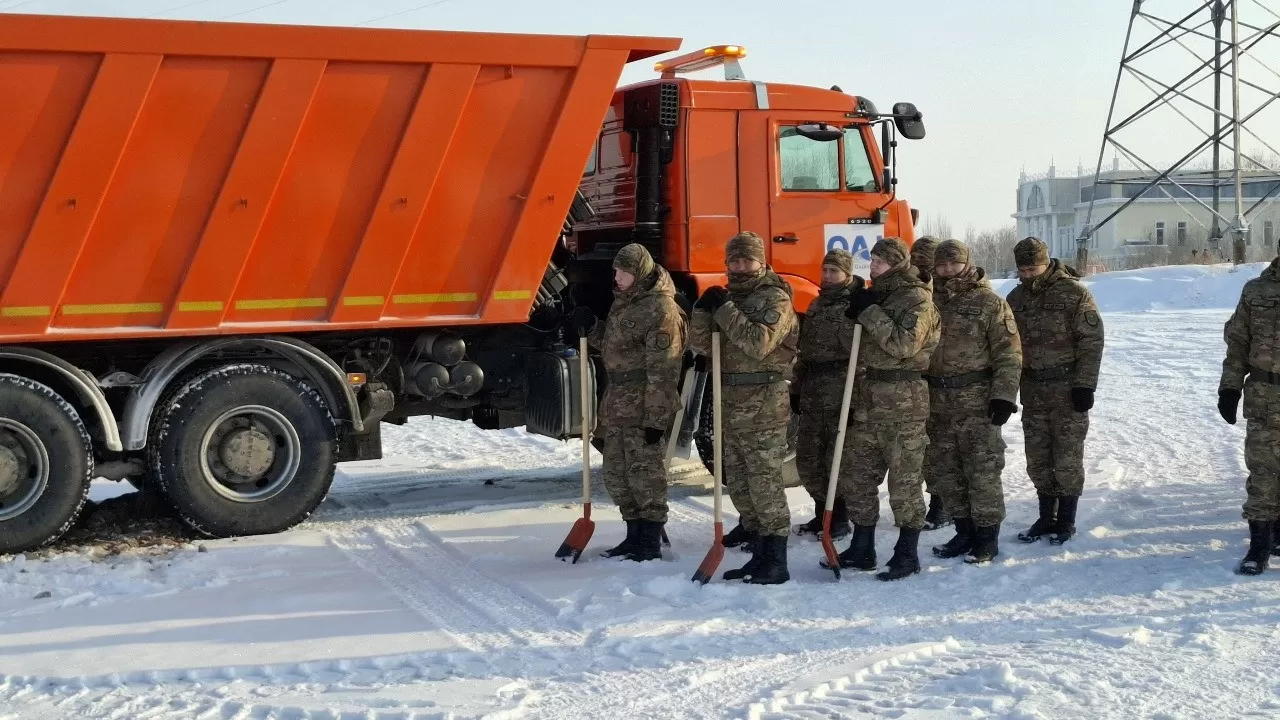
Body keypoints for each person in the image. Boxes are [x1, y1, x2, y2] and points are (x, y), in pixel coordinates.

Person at [824, 237, 940, 581]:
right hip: (868, 400)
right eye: (871, 260)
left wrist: (870, 312)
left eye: (879, 261)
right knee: (857, 477)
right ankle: (863, 547)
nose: (872, 266)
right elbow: (855, 347)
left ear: (897, 263)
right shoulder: (877, 296)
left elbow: (904, 345)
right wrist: (854, 316)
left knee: (904, 482)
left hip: (903, 402)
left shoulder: (916, 298)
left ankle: (906, 553)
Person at [689, 231, 799, 585]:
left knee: (764, 479)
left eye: (746, 261)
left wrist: (724, 310)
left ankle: (776, 560)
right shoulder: (730, 297)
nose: (740, 267)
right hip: (730, 399)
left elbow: (758, 343)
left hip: (764, 401)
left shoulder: (775, 297)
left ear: (762, 261)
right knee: (737, 477)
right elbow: (702, 346)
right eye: (733, 261)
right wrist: (703, 312)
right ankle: (758, 548)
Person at [571, 243, 686, 562]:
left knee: (644, 474)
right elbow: (615, 345)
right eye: (616, 271)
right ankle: (633, 535)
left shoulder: (660, 308)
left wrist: (655, 418)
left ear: (640, 273)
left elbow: (664, 369)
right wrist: (591, 327)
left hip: (643, 402)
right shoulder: (624, 302)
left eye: (625, 272)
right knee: (617, 474)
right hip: (618, 401)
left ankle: (648, 541)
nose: (618, 277)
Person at [925, 240, 1022, 564]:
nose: (948, 270)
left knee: (982, 472)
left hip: (977, 402)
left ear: (967, 264)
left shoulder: (989, 302)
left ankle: (986, 538)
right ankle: (963, 530)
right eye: (942, 265)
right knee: (947, 473)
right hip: (938, 403)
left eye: (954, 264)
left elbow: (1009, 354)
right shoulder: (929, 301)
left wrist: (1004, 396)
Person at [1006, 237, 1104, 546]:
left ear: (1047, 263)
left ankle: (1066, 520)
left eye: (1032, 269)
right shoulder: (1015, 298)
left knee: (1066, 457)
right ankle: (1046, 515)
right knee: (1037, 457)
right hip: (1032, 390)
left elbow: (1092, 342)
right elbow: (1007, 347)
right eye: (1022, 270)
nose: (1027, 275)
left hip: (1067, 389)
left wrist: (1085, 385)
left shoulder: (1074, 294)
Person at [791, 248, 861, 540]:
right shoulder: (817, 304)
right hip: (814, 391)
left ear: (847, 274)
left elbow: (864, 358)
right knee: (809, 459)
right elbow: (804, 352)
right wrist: (796, 388)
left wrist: (858, 398)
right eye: (825, 271)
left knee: (837, 459)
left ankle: (840, 518)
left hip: (842, 390)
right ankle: (822, 514)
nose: (828, 276)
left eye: (834, 271)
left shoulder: (855, 305)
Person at [1218, 255, 1280, 575]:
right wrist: (1229, 388)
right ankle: (1259, 545)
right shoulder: (1255, 291)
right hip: (1264, 397)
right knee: (1263, 471)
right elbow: (1238, 343)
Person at [911, 235, 951, 532]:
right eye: (919, 265)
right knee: (924, 444)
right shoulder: (914, 293)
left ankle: (943, 503)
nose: (925, 272)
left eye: (928, 266)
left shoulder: (955, 295)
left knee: (943, 445)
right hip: (919, 380)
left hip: (949, 382)